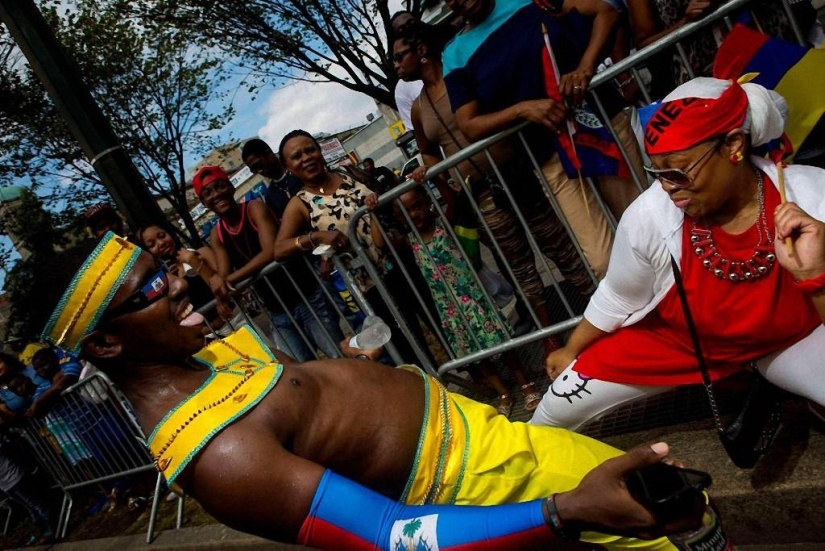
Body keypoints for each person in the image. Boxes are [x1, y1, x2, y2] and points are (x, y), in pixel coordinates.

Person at [34, 231, 706, 550]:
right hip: (484, 489)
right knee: (679, 531)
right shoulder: (217, 456)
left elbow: (300, 392)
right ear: (104, 344)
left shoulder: (207, 352)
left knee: (682, 515)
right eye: (151, 287)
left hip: (493, 441)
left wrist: (355, 364)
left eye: (166, 267)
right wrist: (562, 511)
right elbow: (392, 536)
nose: (178, 280)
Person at [530, 77, 825, 431]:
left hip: (790, 339)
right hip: (683, 343)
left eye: (679, 172)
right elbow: (619, 295)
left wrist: (816, 276)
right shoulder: (648, 215)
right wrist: (570, 349)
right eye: (657, 172)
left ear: (733, 145)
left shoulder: (811, 195)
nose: (668, 187)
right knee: (551, 412)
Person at [395, 23, 597, 349]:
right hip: (482, 193)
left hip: (515, 173)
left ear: (421, 52)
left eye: (399, 56)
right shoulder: (419, 107)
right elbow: (428, 150)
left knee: (560, 246)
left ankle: (602, 317)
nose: (395, 65)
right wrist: (445, 179)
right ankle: (551, 342)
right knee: (520, 266)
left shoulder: (464, 73)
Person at [441, 0, 646, 278]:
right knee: (602, 261)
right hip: (549, 155)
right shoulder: (454, 55)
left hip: (601, 125)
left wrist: (585, 66)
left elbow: (606, 13)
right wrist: (523, 110)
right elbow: (469, 124)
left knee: (644, 229)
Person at [372, 187, 543, 415]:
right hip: (449, 309)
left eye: (417, 206)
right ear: (399, 218)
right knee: (473, 352)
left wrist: (428, 177)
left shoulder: (444, 225)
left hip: (473, 299)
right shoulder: (408, 241)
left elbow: (454, 201)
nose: (414, 214)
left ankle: (524, 382)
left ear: (427, 203)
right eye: (405, 212)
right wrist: (372, 211)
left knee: (500, 343)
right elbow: (380, 243)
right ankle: (502, 392)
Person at [272, 130, 437, 366]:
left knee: (438, 318)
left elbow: (386, 195)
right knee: (406, 343)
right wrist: (317, 236)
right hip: (370, 283)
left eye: (310, 149)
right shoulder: (300, 204)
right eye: (296, 156)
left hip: (403, 258)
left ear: (319, 150)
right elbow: (279, 249)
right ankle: (435, 392)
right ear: (288, 166)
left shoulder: (348, 172)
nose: (306, 157)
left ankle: (477, 378)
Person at [194, 165, 343, 361]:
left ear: (231, 187)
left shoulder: (254, 208)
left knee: (338, 356)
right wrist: (217, 282)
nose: (216, 194)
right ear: (204, 202)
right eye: (208, 193)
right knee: (300, 370)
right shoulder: (217, 233)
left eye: (220, 186)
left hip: (306, 295)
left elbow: (271, 252)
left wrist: (226, 280)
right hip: (276, 310)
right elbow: (223, 273)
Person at [137, 224, 233, 319]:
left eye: (162, 235)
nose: (161, 243)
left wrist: (194, 261)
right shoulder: (167, 280)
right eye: (152, 245)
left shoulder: (202, 253)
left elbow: (225, 286)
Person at [241, 138, 304, 225]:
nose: (259, 171)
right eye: (254, 170)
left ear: (269, 153)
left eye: (259, 165)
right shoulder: (270, 197)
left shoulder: (300, 172)